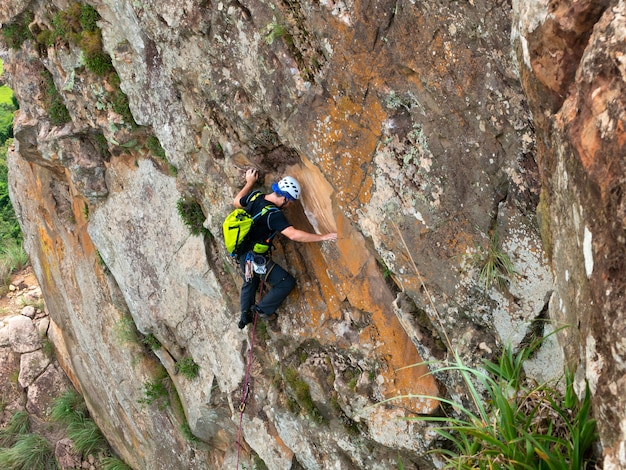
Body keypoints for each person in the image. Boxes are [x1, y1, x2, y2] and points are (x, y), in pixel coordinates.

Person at [233, 168, 337, 329]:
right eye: (290, 202)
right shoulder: (273, 214)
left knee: (250, 281)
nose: (289, 206)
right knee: (285, 282)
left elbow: (236, 201)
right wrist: (322, 237)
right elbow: (293, 235)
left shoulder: (256, 196)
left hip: (242, 252)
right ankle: (262, 309)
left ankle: (244, 316)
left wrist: (250, 183)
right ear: (285, 198)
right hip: (253, 256)